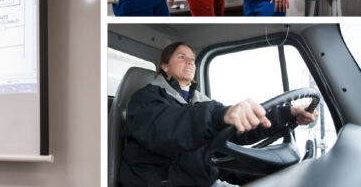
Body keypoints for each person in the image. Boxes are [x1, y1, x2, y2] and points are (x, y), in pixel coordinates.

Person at [119, 42, 317, 187]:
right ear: (164, 66)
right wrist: (218, 116)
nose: (190, 62)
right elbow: (168, 128)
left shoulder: (202, 101)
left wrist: (287, 114)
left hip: (203, 180)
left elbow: (239, 130)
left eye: (192, 59)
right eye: (181, 57)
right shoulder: (145, 98)